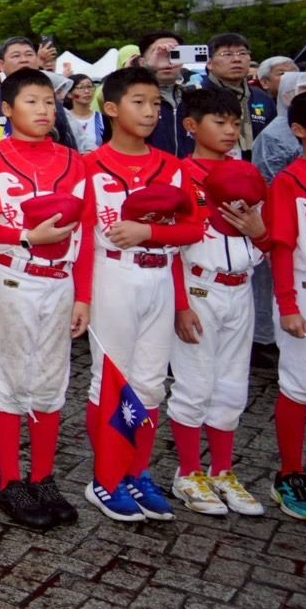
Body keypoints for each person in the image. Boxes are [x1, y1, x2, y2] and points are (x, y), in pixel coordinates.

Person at [81, 66, 205, 523]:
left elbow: (192, 229)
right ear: (112, 108)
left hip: (159, 276)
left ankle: (137, 471)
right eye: (139, 102)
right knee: (110, 380)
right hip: (112, 276)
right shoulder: (89, 165)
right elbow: (83, 239)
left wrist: (149, 233)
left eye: (155, 103)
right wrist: (82, 298)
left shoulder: (172, 166)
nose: (150, 111)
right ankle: (105, 477)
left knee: (151, 381)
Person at [0, 69, 89, 530]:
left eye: (48, 101)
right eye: (31, 101)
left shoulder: (73, 161)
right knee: (9, 380)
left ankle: (42, 476)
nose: (43, 110)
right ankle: (8, 480)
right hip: (11, 277)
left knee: (50, 380)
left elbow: (87, 231)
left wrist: (84, 295)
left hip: (60, 280)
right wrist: (25, 236)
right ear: (6, 108)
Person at [164, 87, 268, 517]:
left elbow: (268, 238)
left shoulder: (246, 173)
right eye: (219, 122)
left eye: (234, 123)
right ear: (191, 126)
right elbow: (170, 248)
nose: (229, 131)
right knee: (194, 383)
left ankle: (222, 470)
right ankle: (188, 472)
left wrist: (260, 232)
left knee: (232, 385)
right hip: (198, 287)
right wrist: (180, 303)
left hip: (240, 287)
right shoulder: (178, 174)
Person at [267, 90, 306, 520]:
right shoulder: (288, 180)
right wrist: (287, 305)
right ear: (299, 130)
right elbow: (281, 247)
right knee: (300, 387)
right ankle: (289, 474)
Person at [200, 33, 273, 153]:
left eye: (242, 53)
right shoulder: (198, 96)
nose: (236, 59)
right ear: (209, 63)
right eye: (227, 54)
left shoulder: (261, 97)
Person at [137, 31, 192, 157]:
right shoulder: (133, 99)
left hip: (189, 168)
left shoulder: (194, 98)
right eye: (158, 53)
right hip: (149, 167)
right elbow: (106, 97)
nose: (166, 60)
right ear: (142, 62)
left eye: (174, 53)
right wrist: (149, 68)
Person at [64, 74, 103, 153]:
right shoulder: (64, 118)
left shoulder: (102, 119)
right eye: (81, 88)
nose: (87, 91)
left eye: (89, 87)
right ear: (69, 94)